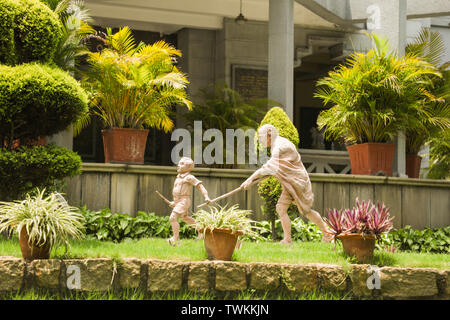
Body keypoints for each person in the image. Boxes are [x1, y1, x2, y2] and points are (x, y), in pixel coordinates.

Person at [240, 124, 333, 244]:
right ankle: (288, 239)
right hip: (289, 182)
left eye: (261, 136)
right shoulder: (277, 145)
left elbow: (270, 167)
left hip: (297, 182)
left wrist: (250, 180)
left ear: (269, 136)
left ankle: (327, 234)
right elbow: (275, 167)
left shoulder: (279, 146)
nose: (260, 140)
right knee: (281, 208)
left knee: (306, 211)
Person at [168, 157, 211, 246]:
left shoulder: (189, 177)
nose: (178, 165)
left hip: (184, 201)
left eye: (181, 164)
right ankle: (201, 229)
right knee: (185, 217)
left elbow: (200, 187)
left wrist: (206, 197)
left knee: (172, 218)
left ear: (188, 167)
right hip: (179, 201)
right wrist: (175, 203)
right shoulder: (178, 177)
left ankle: (175, 238)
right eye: (179, 163)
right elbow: (177, 192)